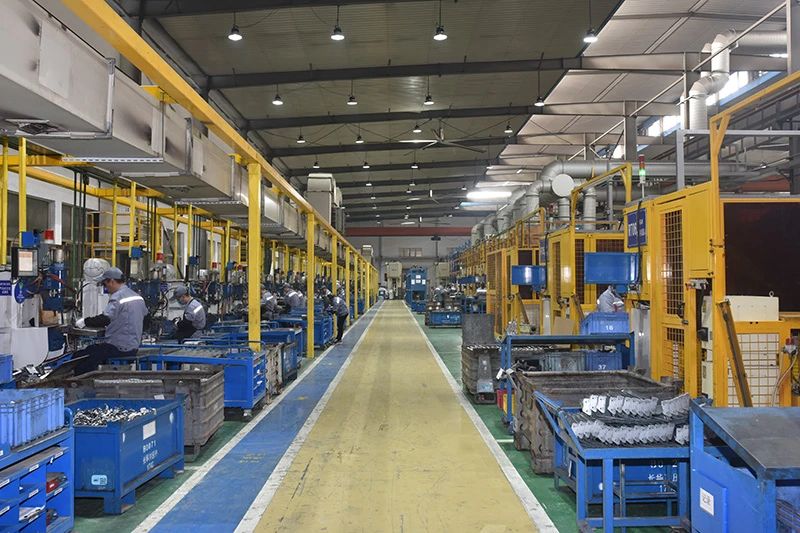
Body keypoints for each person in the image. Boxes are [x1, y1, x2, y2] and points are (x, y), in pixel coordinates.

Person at [72, 267, 147, 374]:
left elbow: (105, 319)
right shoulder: (137, 296)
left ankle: (80, 381)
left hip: (118, 347)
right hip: (133, 347)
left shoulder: (118, 297)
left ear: (111, 281)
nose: (105, 287)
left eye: (105, 284)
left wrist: (84, 322)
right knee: (94, 351)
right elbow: (145, 318)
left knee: (81, 357)